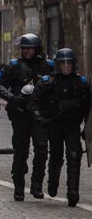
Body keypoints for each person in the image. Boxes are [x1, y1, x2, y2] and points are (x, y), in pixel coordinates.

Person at [0, 33, 53, 201]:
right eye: (24, 48)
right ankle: (19, 187)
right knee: (21, 152)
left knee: (42, 150)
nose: (26, 51)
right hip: (21, 114)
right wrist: (14, 99)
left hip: (40, 115)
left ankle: (36, 185)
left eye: (30, 48)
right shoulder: (14, 66)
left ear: (37, 49)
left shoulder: (48, 66)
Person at [30, 48, 91, 207]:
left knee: (74, 155)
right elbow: (34, 102)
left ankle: (73, 191)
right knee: (56, 156)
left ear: (73, 65)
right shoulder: (47, 82)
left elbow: (88, 109)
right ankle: (52, 183)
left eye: (68, 64)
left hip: (72, 126)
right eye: (62, 64)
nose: (65, 67)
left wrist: (87, 129)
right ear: (57, 65)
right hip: (54, 126)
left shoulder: (82, 83)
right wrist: (39, 118)